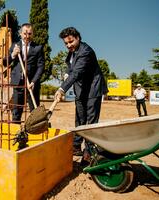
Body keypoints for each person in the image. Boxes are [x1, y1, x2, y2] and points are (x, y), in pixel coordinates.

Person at [54, 27, 108, 162]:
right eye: (66, 43)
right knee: (79, 119)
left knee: (90, 122)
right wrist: (67, 72)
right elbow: (71, 67)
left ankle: (89, 152)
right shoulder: (72, 52)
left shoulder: (86, 52)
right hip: (80, 89)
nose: (68, 45)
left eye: (71, 42)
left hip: (92, 90)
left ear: (78, 37)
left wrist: (62, 89)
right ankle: (76, 146)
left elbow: (77, 72)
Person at [7, 23, 45, 123]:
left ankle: (35, 134)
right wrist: (13, 54)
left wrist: (34, 81)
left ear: (33, 34)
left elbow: (41, 67)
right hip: (17, 84)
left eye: (29, 33)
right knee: (16, 112)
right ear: (20, 33)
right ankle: (17, 134)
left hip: (32, 85)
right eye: (25, 33)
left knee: (34, 112)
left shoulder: (38, 48)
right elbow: (4, 62)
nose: (27, 36)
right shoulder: (14, 46)